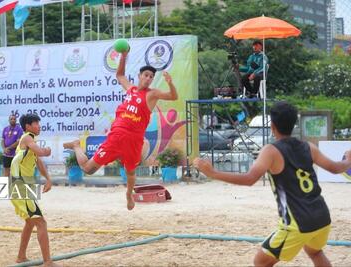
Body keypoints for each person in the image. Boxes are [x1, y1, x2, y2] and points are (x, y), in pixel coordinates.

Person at [194, 101, 351, 267]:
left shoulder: (271, 151)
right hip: (322, 217)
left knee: (261, 262)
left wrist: (214, 173)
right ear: (293, 124)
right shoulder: (308, 147)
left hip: (297, 222)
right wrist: (348, 159)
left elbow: (250, 179)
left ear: (272, 125)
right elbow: (334, 168)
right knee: (315, 252)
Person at [63, 48, 178, 210]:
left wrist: (170, 83)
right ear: (139, 76)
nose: (148, 78)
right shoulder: (131, 89)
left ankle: (129, 195)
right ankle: (76, 145)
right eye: (146, 75)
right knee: (88, 169)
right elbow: (120, 75)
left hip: (134, 140)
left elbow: (173, 97)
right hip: (117, 136)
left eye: (151, 76)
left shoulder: (152, 94)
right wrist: (123, 56)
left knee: (131, 172)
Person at [10, 114, 58, 267]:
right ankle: (47, 262)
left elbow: (39, 161)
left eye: (38, 122)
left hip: (23, 186)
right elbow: (42, 153)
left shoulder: (30, 142)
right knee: (41, 223)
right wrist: (47, 150)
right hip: (20, 186)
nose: (39, 125)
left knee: (30, 223)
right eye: (35, 123)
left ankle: (21, 257)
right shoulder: (27, 138)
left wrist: (48, 179)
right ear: (27, 126)